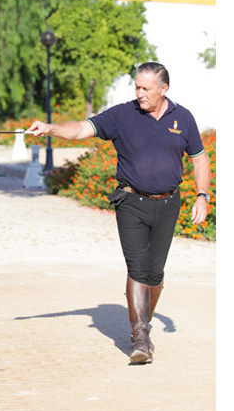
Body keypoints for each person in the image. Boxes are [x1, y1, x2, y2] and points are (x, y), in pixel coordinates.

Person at [25, 62, 211, 365]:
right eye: (136, 87)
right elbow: (83, 129)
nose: (139, 93)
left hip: (168, 204)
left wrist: (202, 195)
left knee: (155, 274)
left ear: (163, 89)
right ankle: (140, 337)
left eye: (145, 88)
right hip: (131, 202)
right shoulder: (123, 115)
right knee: (137, 268)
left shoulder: (183, 118)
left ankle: (143, 327)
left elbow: (200, 160)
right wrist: (50, 128)